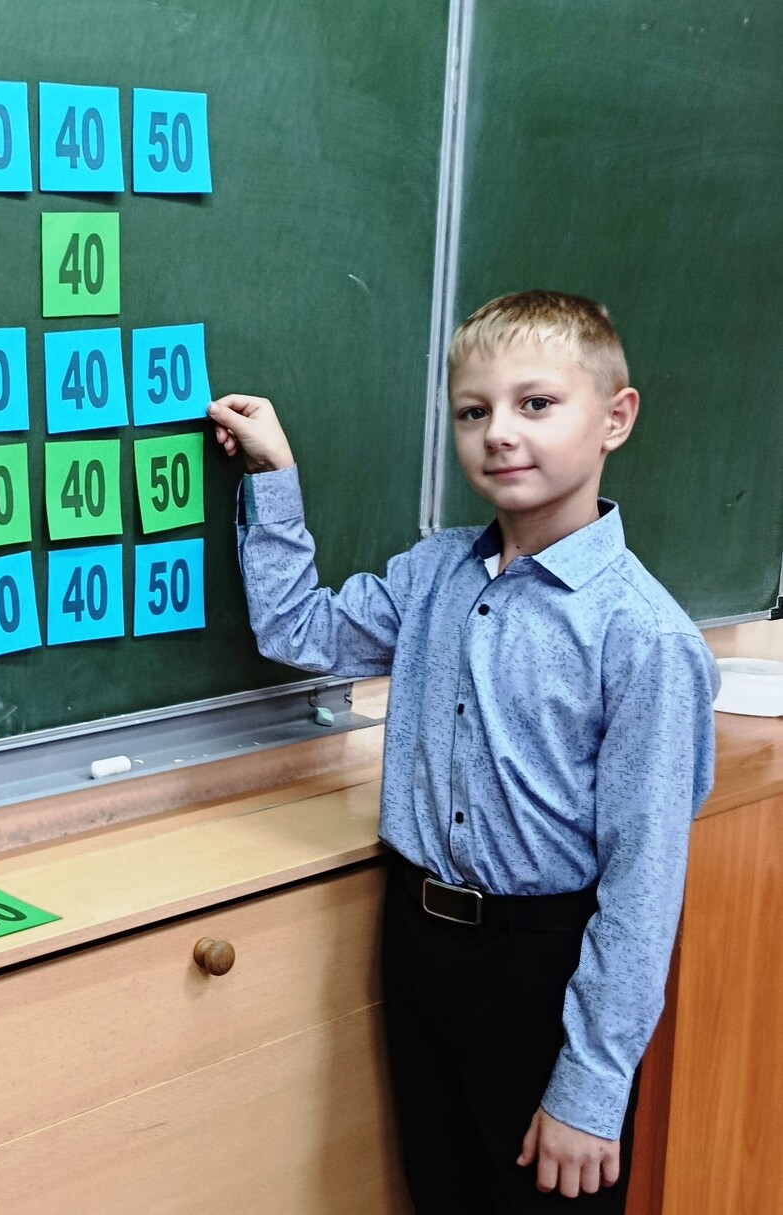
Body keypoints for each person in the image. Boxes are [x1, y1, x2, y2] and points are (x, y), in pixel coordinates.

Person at [208, 291, 719, 1212]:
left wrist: (591, 1086)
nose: (499, 433)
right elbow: (299, 630)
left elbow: (645, 884)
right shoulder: (434, 572)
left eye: (536, 403)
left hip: (545, 970)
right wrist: (274, 474)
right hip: (418, 944)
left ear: (615, 418)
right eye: (473, 411)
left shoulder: (643, 636)